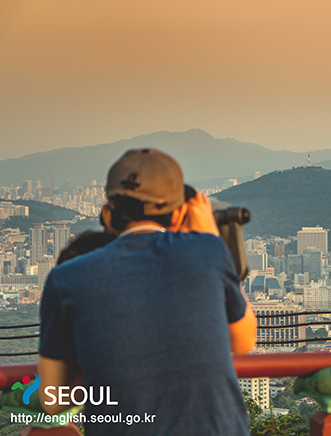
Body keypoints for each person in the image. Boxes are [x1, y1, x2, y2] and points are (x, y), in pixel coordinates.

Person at [38, 148, 256, 435]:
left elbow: (53, 402)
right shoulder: (207, 251)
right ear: (179, 215)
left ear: (107, 214)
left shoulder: (65, 278)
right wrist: (209, 235)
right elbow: (243, 341)